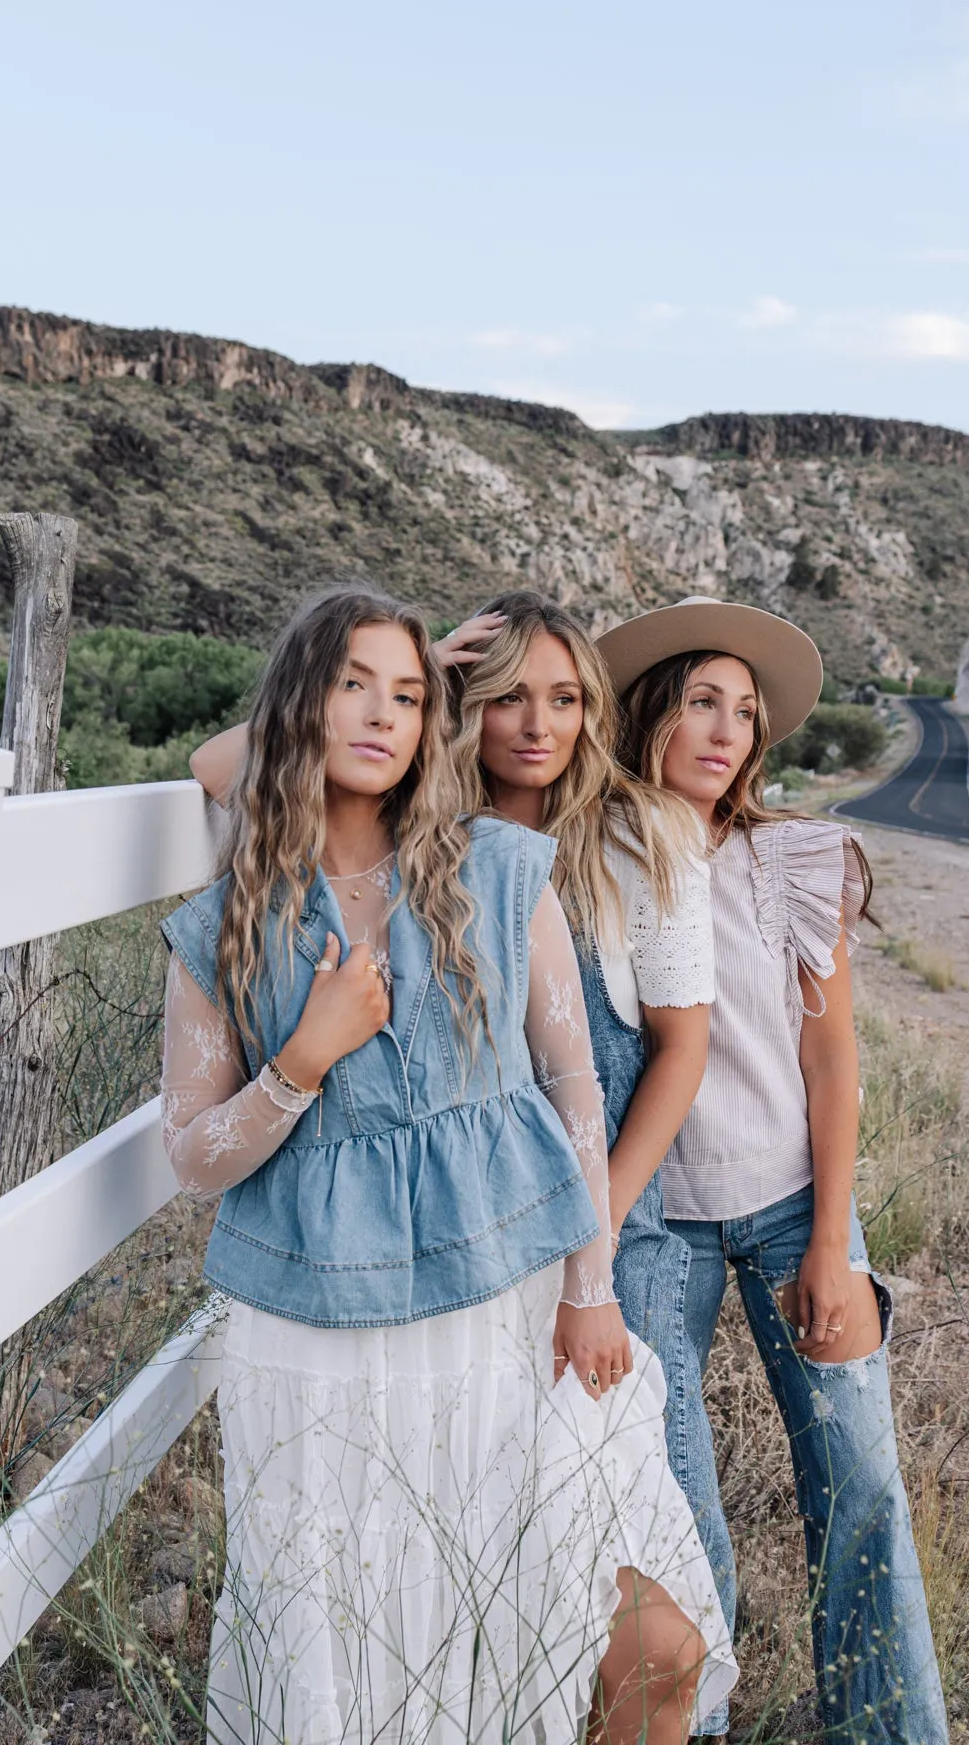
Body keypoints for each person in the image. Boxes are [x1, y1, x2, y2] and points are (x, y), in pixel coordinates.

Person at [164, 584, 736, 1744]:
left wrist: (588, 1286)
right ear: (297, 705)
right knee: (380, 1662)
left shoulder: (496, 862)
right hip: (322, 1334)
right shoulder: (229, 921)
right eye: (352, 684)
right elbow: (193, 1155)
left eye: (411, 693)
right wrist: (301, 1062)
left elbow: (574, 1087)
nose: (382, 713)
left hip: (517, 1304)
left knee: (652, 1647)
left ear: (437, 723)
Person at [597, 594, 949, 1745]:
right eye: (700, 700)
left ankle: (887, 1729)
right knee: (667, 1508)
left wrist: (830, 1244)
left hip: (794, 1199)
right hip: (653, 1222)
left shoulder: (793, 855)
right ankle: (692, 1723)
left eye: (743, 713)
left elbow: (828, 1054)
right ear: (650, 709)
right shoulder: (587, 853)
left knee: (858, 1486)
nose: (723, 730)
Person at [432, 591, 715, 1473]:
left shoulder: (641, 832)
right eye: (508, 694)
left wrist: (593, 1239)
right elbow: (223, 771)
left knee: (661, 1502)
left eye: (564, 698)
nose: (537, 724)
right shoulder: (426, 838)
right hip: (468, 1229)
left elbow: (680, 1049)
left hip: (612, 1225)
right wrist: (423, 665)